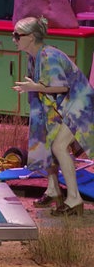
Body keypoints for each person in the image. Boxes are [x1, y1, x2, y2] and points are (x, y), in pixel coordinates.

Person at [12, 16, 93, 217]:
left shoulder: (49, 55)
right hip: (62, 105)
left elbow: (61, 86)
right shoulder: (34, 57)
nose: (14, 39)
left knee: (59, 147)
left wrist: (34, 87)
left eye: (17, 35)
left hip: (79, 105)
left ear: (30, 37)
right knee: (48, 142)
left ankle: (74, 199)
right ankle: (53, 189)